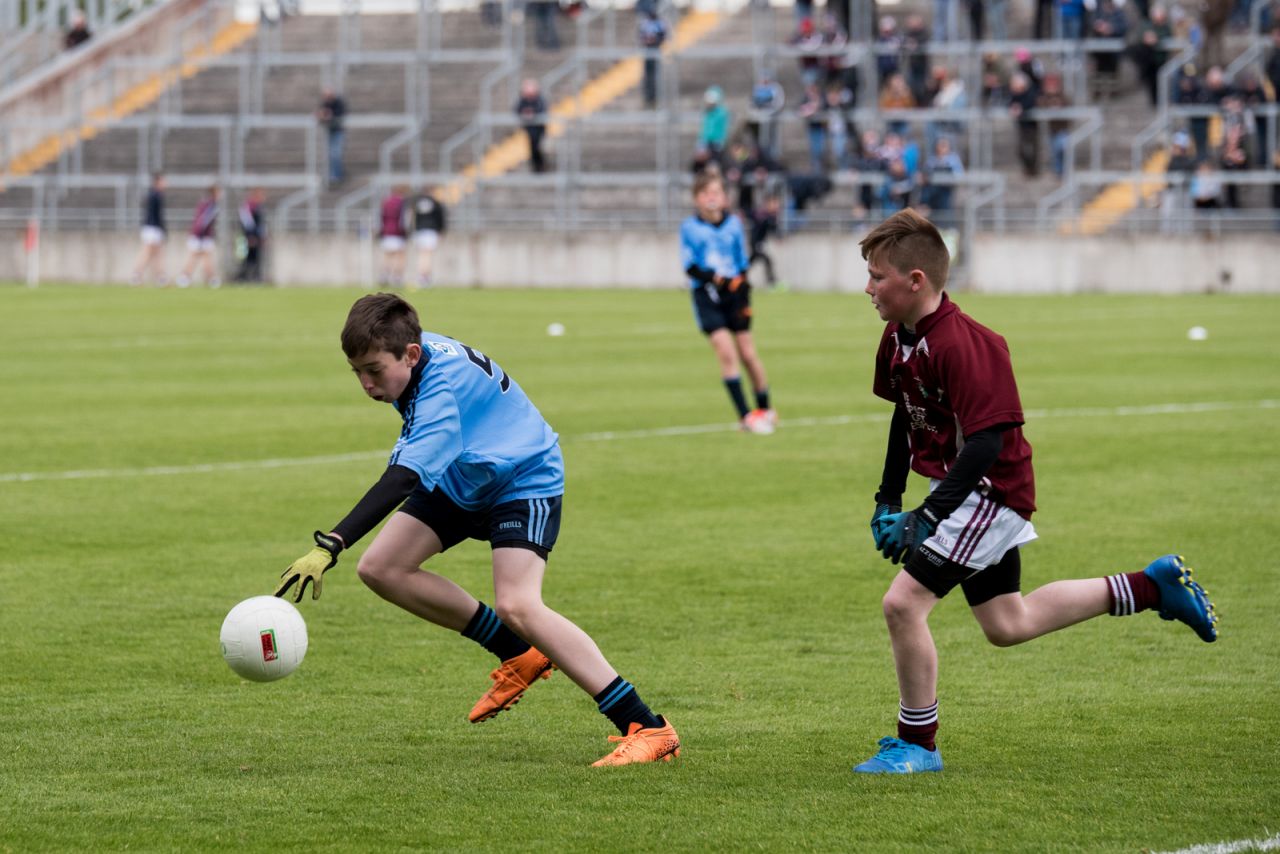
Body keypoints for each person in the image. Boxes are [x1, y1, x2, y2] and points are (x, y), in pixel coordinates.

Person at [853, 209, 1219, 775]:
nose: (869, 287)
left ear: (916, 280)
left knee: (902, 605)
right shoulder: (897, 339)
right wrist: (888, 498)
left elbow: (987, 444)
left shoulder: (967, 344)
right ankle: (1150, 587)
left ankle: (918, 745)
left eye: (877, 276)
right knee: (1008, 625)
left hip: (989, 490)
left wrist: (928, 516)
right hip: (959, 488)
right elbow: (906, 418)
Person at [273, 293, 680, 767]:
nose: (366, 384)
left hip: (522, 476)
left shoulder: (438, 386)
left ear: (410, 355)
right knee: (383, 568)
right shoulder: (414, 353)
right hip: (467, 472)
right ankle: (519, 655)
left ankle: (646, 726)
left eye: (374, 371)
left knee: (517, 603)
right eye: (357, 372)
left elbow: (402, 479)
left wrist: (331, 545)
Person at [679, 172, 776, 434]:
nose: (711, 198)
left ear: (724, 198)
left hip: (735, 295)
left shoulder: (733, 224)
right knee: (726, 353)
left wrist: (742, 291)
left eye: (716, 193)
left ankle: (765, 408)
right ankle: (746, 416)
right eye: (706, 193)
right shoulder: (689, 227)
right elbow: (690, 267)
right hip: (707, 296)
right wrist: (717, 279)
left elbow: (741, 263)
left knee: (747, 353)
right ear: (696, 198)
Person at [176, 184, 220, 288]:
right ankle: (208, 279)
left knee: (203, 258)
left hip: (202, 236)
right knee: (198, 257)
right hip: (201, 236)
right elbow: (202, 222)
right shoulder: (210, 205)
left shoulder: (209, 203)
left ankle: (208, 278)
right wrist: (201, 236)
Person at [131, 172, 167, 286]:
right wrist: (162, 229)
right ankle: (137, 275)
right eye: (163, 181)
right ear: (157, 182)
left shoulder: (155, 195)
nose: (165, 183)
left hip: (152, 228)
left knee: (156, 254)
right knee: (148, 253)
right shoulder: (155, 196)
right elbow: (156, 215)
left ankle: (160, 277)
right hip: (152, 228)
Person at [409, 187, 447, 288]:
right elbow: (441, 218)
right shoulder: (435, 202)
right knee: (428, 255)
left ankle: (421, 276)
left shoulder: (417, 202)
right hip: (431, 231)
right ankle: (425, 277)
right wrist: (440, 231)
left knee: (422, 255)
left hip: (420, 231)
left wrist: (413, 230)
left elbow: (413, 218)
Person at [515, 79, 549, 174]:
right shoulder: (523, 100)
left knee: (536, 147)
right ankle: (537, 167)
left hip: (538, 129)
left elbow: (542, 110)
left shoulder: (539, 100)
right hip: (529, 129)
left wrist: (532, 114)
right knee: (532, 148)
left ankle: (540, 166)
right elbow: (517, 110)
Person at [378, 186, 409, 287]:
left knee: (388, 256)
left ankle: (385, 275)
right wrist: (405, 232)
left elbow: (381, 217)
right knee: (400, 256)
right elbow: (404, 219)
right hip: (398, 232)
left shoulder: (385, 202)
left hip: (386, 232)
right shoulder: (402, 202)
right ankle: (397, 277)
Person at [638, 7, 668, 108]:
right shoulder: (645, 23)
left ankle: (655, 98)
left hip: (656, 51)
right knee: (648, 76)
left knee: (655, 76)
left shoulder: (660, 23)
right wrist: (647, 40)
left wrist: (655, 40)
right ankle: (648, 98)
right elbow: (641, 36)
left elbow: (664, 36)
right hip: (648, 52)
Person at [234, 188, 266, 283]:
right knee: (246, 258)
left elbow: (260, 224)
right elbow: (247, 223)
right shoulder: (249, 207)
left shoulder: (257, 207)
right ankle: (242, 278)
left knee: (255, 258)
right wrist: (250, 236)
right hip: (248, 237)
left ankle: (255, 277)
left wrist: (262, 236)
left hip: (256, 237)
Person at [317, 88, 347, 188]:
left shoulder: (338, 103)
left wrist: (330, 115)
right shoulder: (326, 103)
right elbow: (321, 115)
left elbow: (339, 115)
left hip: (338, 131)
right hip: (329, 132)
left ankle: (336, 175)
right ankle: (331, 174)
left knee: (336, 153)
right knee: (330, 154)